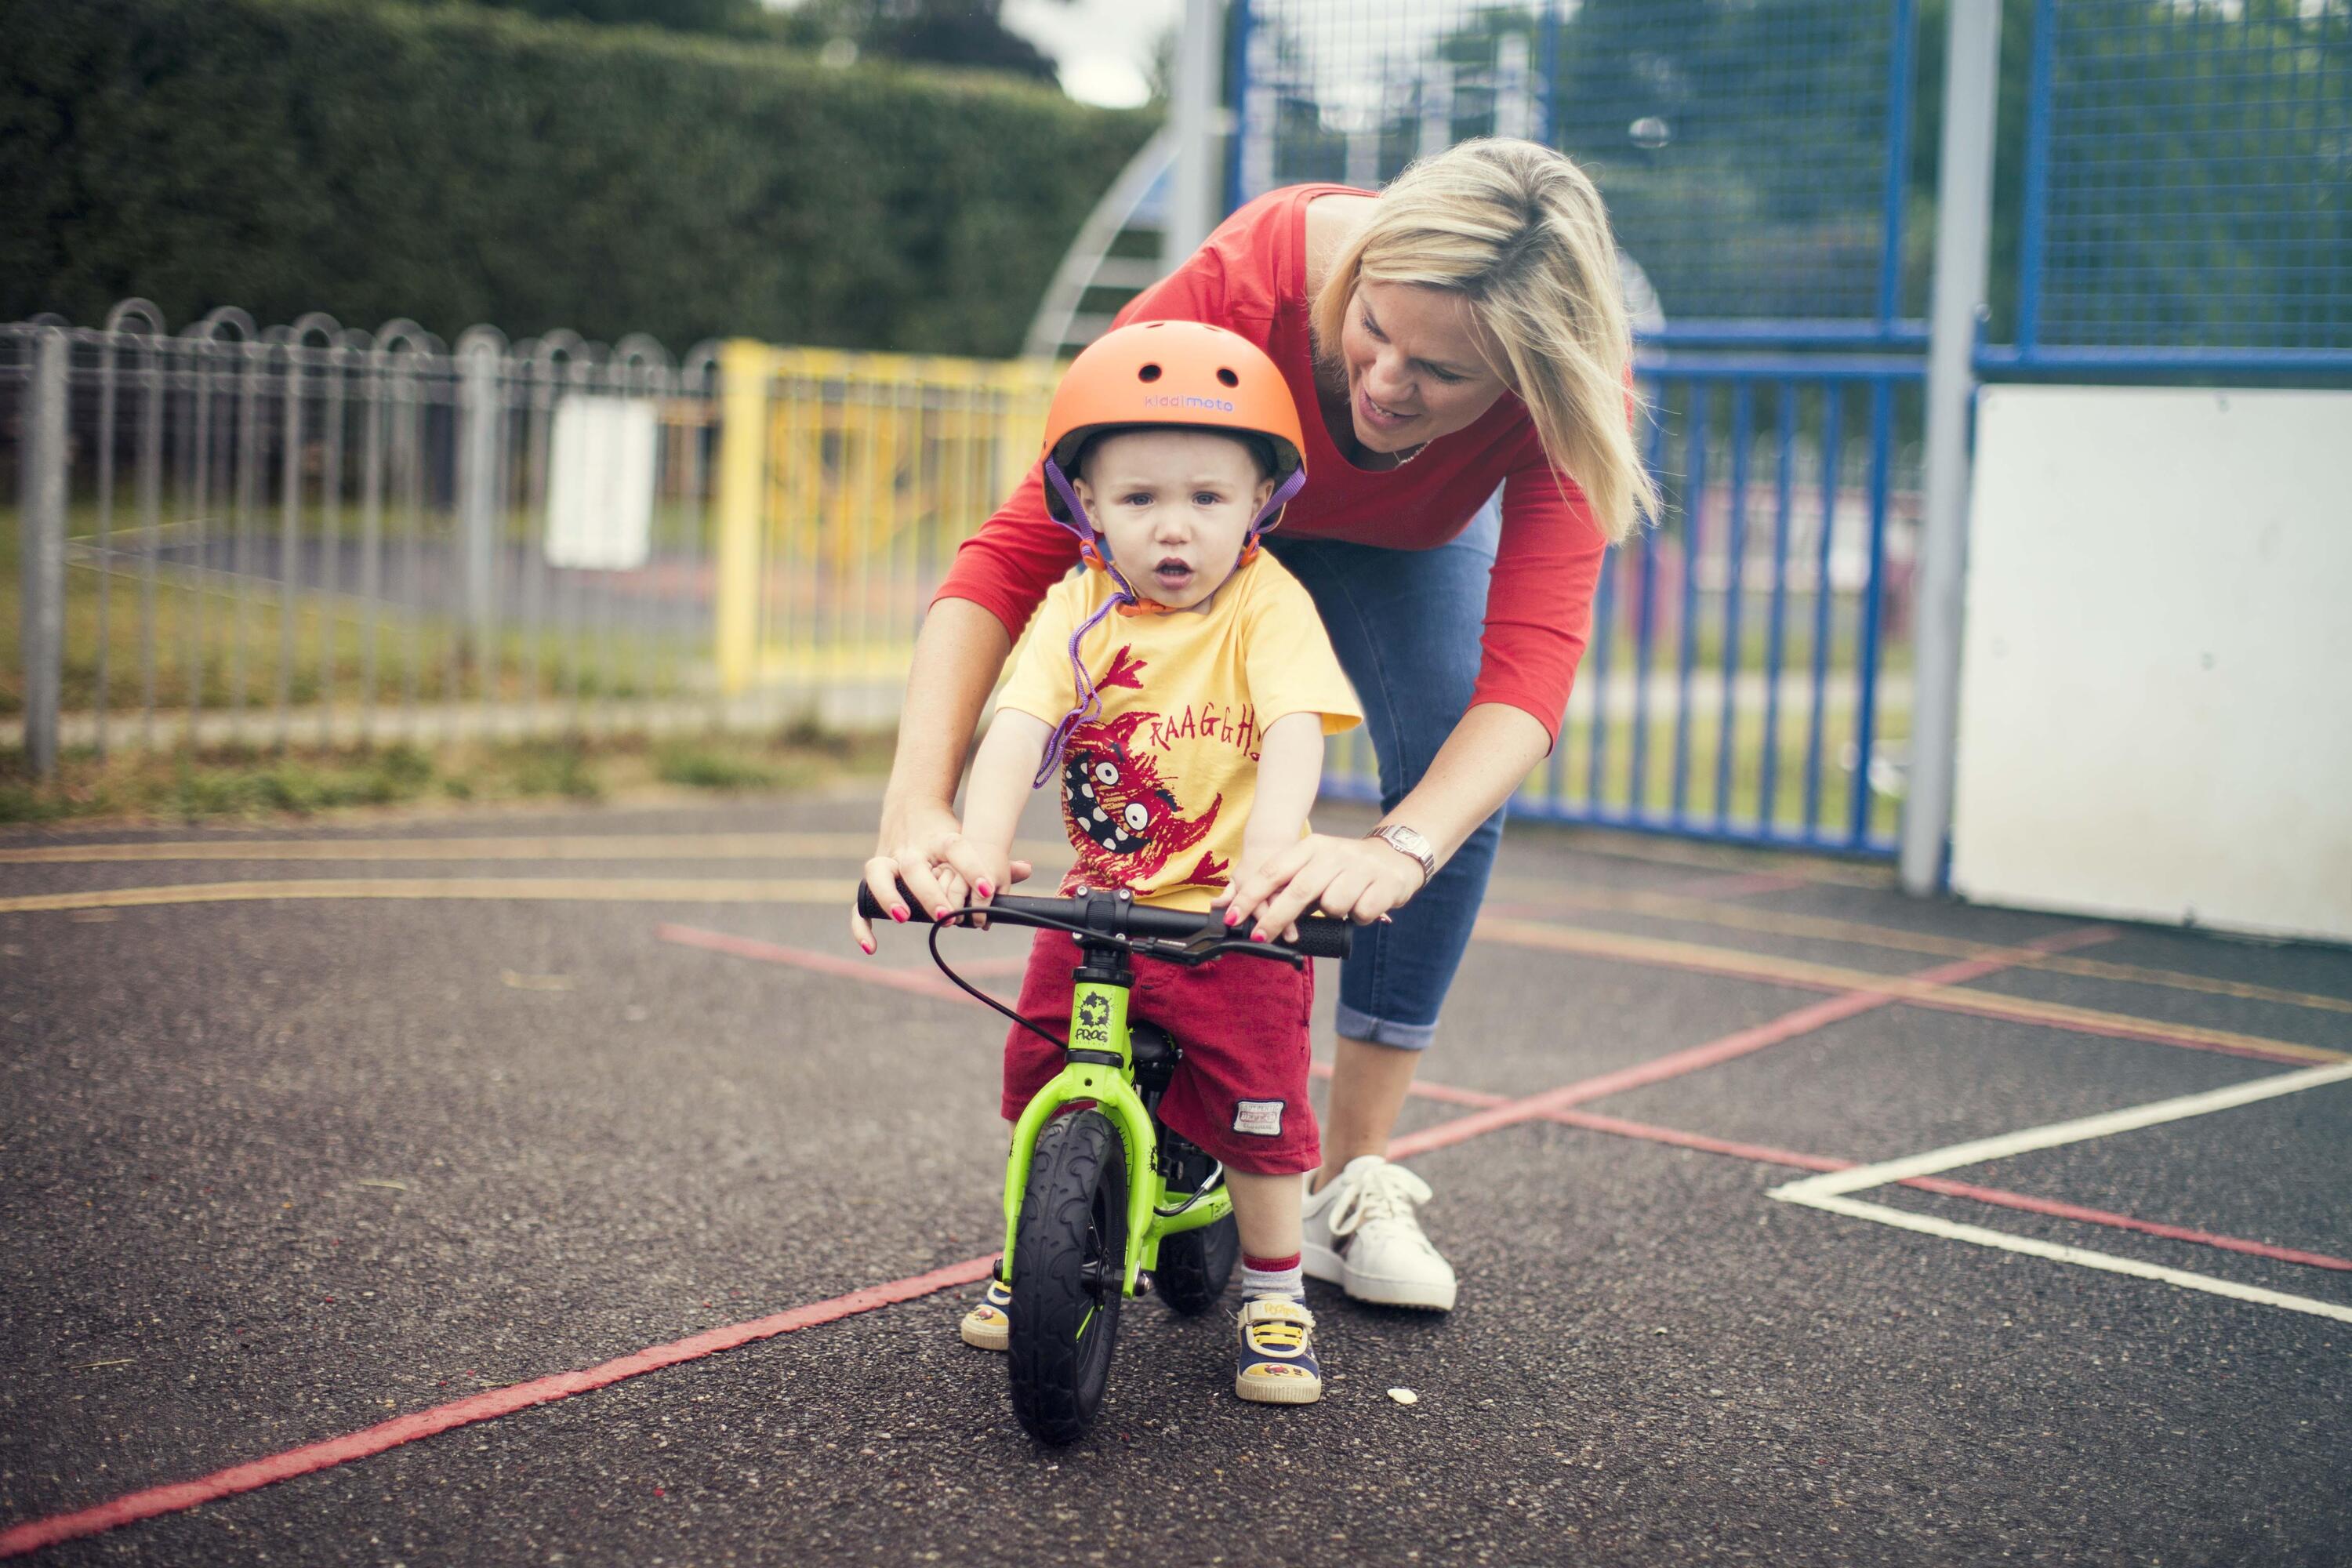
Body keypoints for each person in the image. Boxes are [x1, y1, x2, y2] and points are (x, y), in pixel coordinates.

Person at [854, 137, 1655, 1315]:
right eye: (1372, 329)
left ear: (1528, 376)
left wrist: (1399, 848)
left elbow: (1528, 679)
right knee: (1140, 706)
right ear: (1362, 264)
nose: (1385, 383)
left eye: (1441, 374)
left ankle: (1351, 1178)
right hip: (1212, 511)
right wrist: (917, 805)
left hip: (1405, 548)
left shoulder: (1573, 389)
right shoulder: (1253, 274)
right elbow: (1012, 556)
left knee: (1446, 767)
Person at [913, 319, 1361, 1403]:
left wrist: (1273, 851)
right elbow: (1018, 721)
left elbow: (1298, 722)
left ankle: (1274, 1295)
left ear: (1260, 504)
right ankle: (1031, 1255)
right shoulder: (1077, 607)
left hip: (1227, 918)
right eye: (1139, 500)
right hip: (1100, 910)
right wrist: (977, 846)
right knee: (1037, 1086)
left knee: (1263, 1112)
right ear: (1084, 508)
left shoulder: (1266, 606)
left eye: (1208, 499)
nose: (1174, 529)